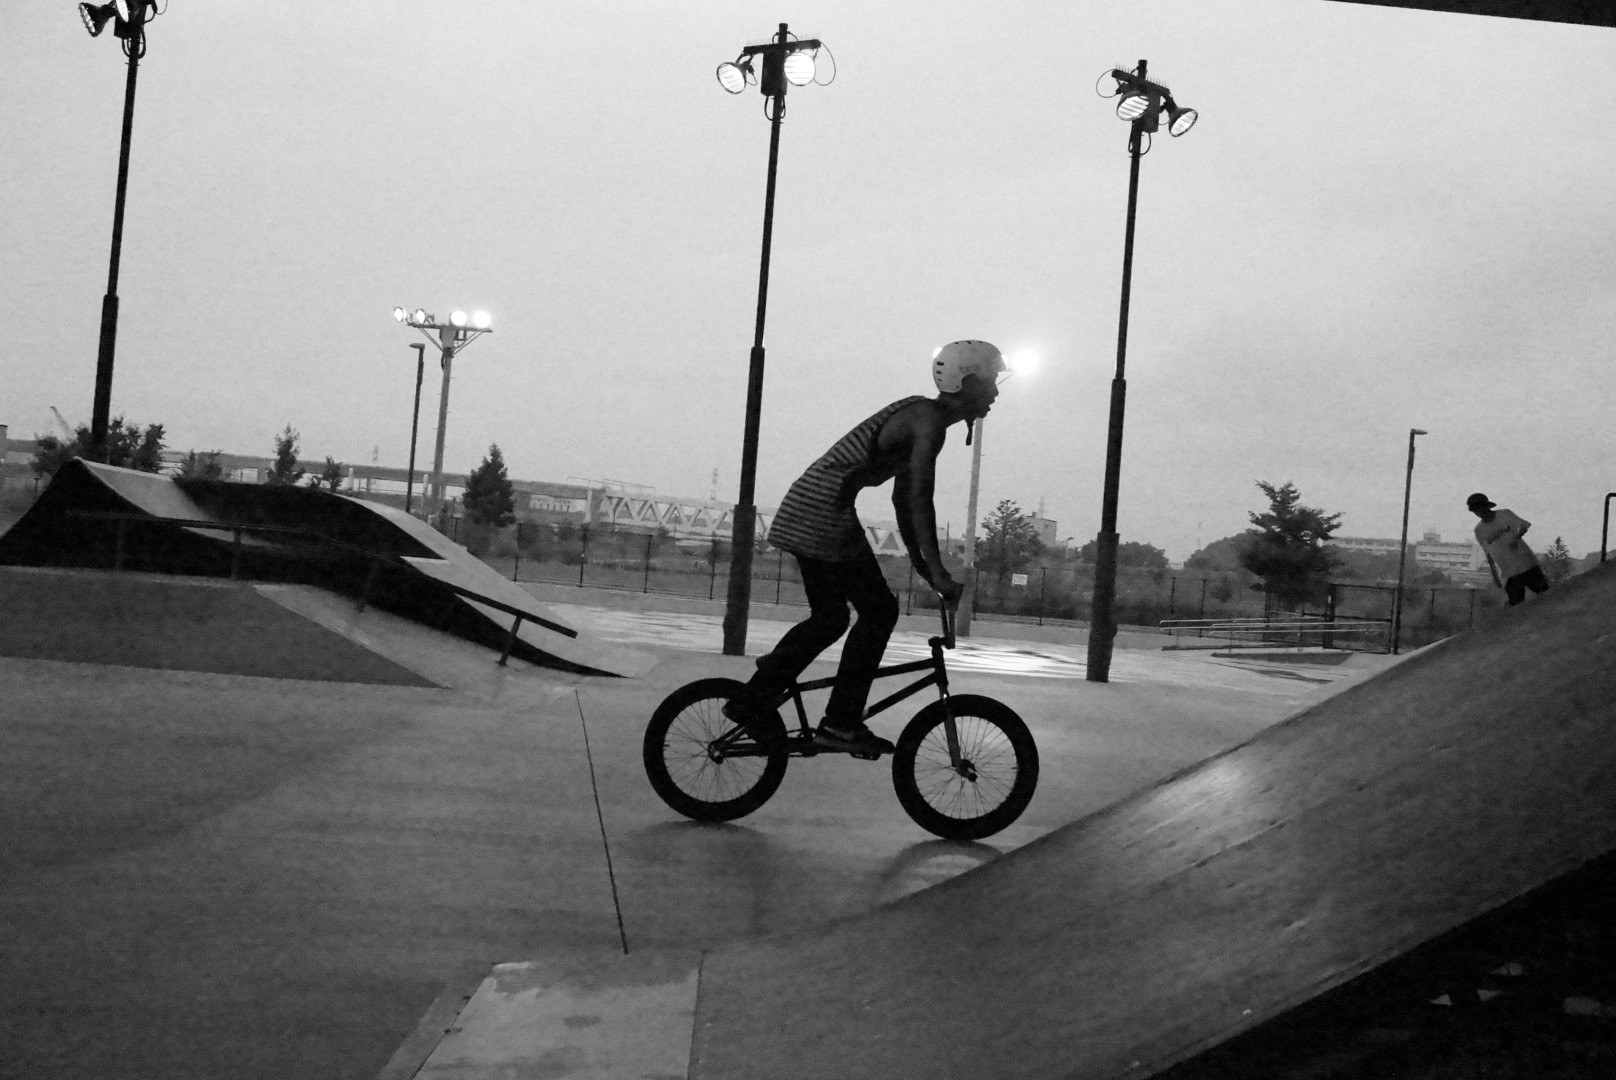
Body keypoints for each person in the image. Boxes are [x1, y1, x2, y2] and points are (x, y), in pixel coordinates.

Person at [723, 340, 1007, 756]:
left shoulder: (925, 418)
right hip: (822, 508)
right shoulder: (927, 421)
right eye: (991, 381)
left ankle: (756, 696)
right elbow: (919, 500)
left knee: (831, 618)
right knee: (879, 612)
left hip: (811, 503)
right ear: (966, 382)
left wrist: (925, 567)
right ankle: (839, 722)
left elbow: (903, 500)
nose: (996, 391)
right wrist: (936, 571)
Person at [1468, 492, 1549, 606]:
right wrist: (1495, 577)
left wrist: (1516, 538)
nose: (1479, 513)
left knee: (1546, 596)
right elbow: (1488, 554)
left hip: (1526, 564)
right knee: (1515, 604)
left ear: (1487, 506)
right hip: (1509, 572)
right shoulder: (1479, 530)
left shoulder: (1504, 514)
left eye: (1480, 509)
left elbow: (1524, 525)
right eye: (1476, 511)